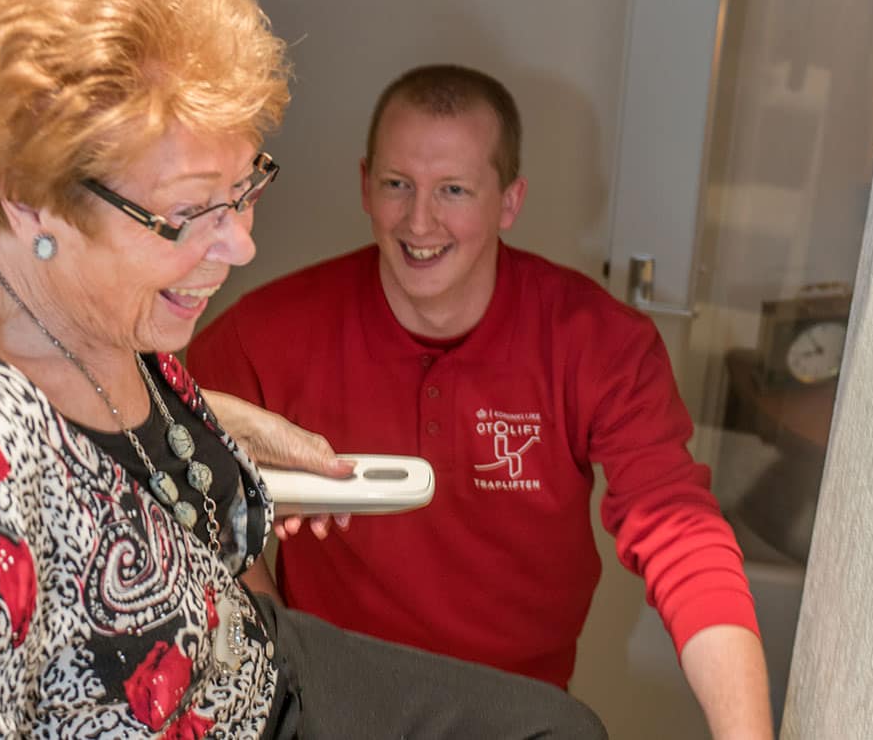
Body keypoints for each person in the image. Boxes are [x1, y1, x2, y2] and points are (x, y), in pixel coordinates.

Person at [0, 0, 606, 737]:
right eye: (190, 212)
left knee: (562, 728)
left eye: (244, 192)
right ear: (33, 202)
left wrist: (224, 425)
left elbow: (80, 441)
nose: (241, 247)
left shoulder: (23, 270)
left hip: (246, 657)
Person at [188, 64, 774, 738]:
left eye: (455, 190)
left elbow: (681, 538)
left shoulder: (599, 343)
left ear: (509, 201)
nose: (419, 220)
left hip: (520, 712)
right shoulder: (268, 331)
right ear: (365, 186)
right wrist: (272, 640)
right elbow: (174, 483)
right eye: (397, 185)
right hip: (330, 697)